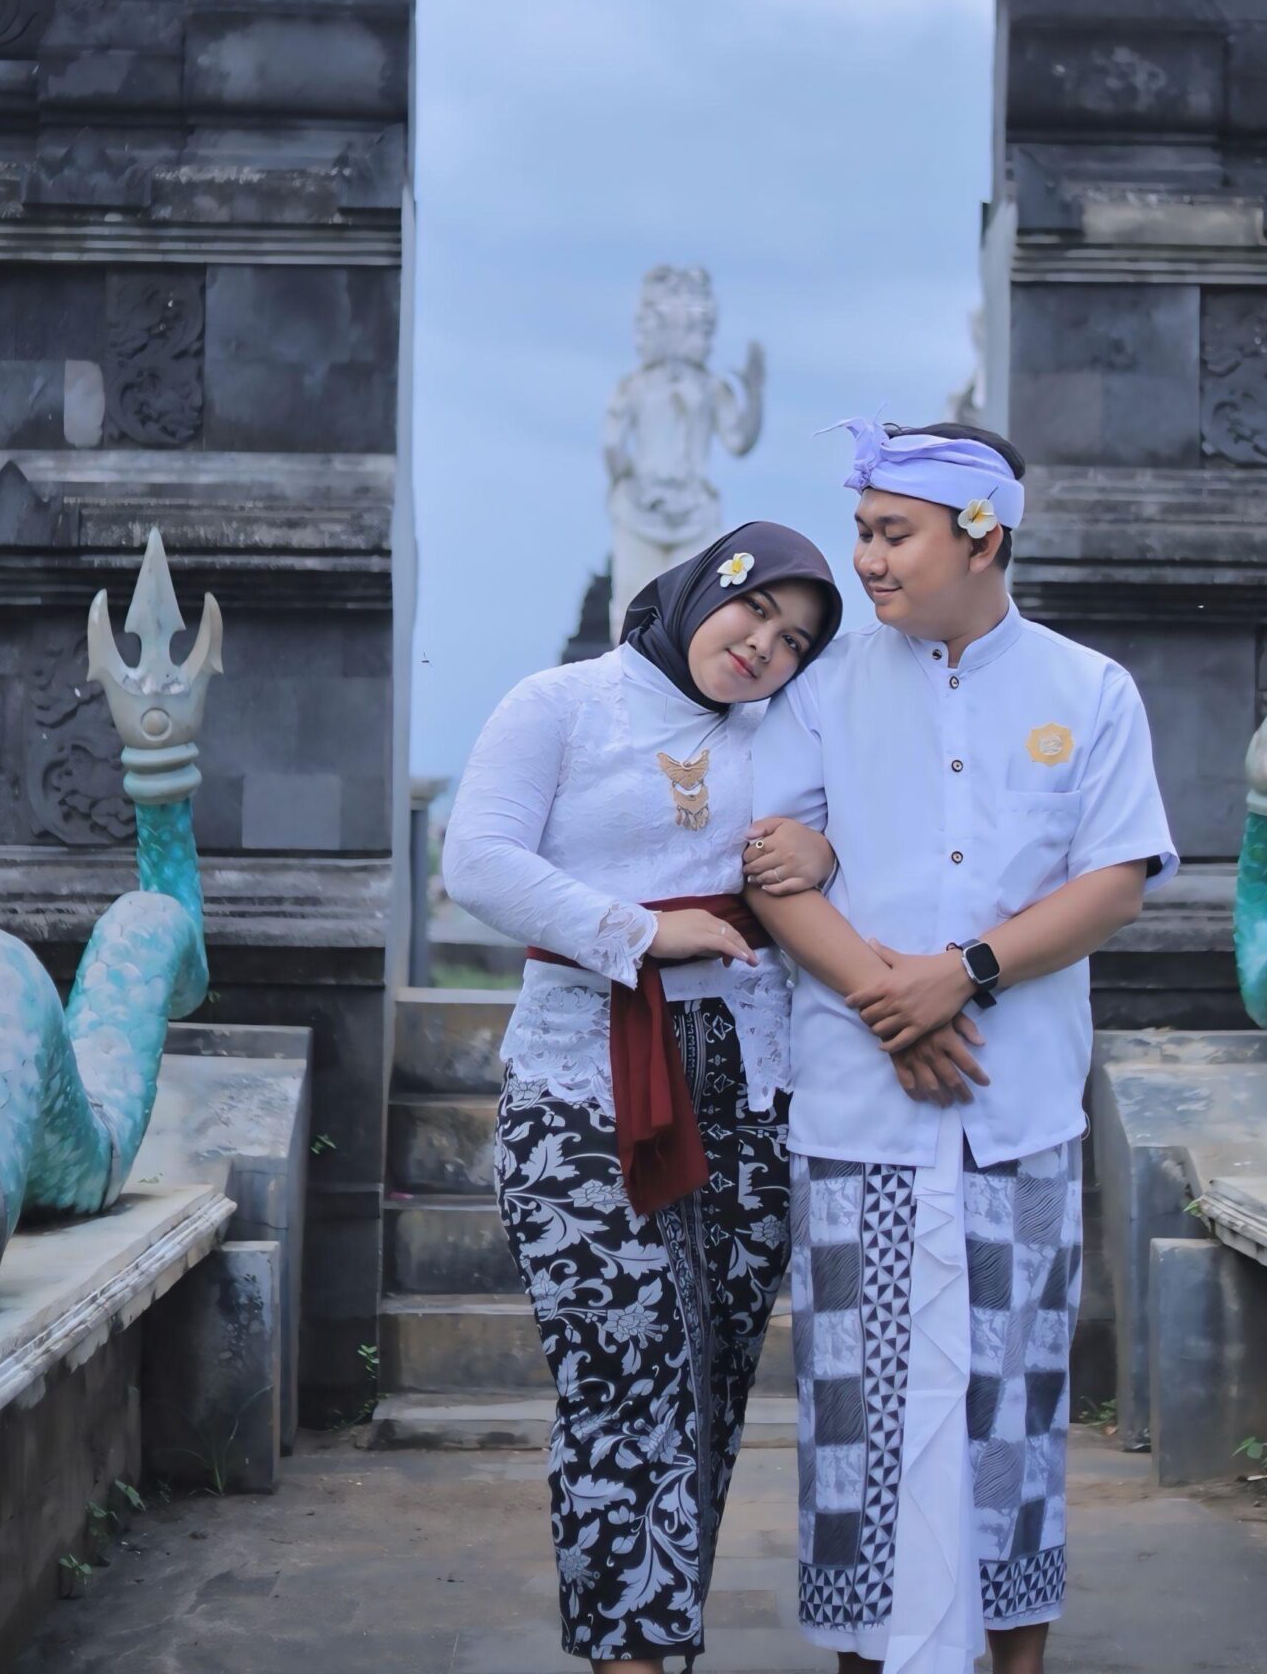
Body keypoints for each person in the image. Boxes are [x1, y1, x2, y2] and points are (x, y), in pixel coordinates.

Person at [743, 423, 1178, 1674]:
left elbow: (1114, 882)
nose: (866, 559)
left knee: (1013, 1414)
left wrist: (964, 971)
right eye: (862, 531)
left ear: (981, 537)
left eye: (894, 533)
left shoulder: (1087, 691)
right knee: (854, 1424)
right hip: (856, 1112)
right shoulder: (821, 689)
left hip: (1017, 1113)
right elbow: (772, 870)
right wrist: (893, 999)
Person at [442, 522, 843, 1673]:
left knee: (710, 1388)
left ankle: (658, 1648)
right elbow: (477, 860)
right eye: (753, 610)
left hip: (749, 1093)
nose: (764, 647)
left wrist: (824, 859)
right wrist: (642, 931)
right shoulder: (563, 704)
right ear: (704, 589)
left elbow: (853, 856)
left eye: (794, 640)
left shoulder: (794, 735)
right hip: (582, 1084)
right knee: (623, 1378)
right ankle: (630, 1660)